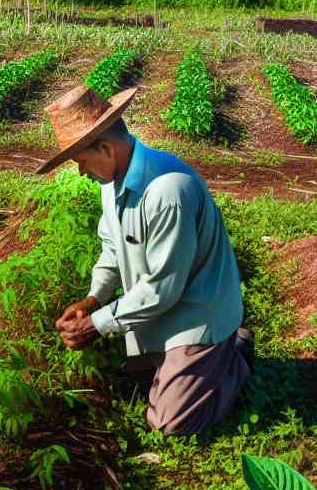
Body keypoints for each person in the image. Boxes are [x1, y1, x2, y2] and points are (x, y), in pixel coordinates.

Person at [36, 83, 252, 437]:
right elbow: (111, 247)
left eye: (81, 161)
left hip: (197, 314)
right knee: (134, 377)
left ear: (105, 148)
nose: (80, 172)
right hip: (160, 310)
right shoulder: (111, 182)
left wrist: (95, 325)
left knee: (170, 423)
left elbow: (163, 290)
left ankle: (235, 355)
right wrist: (94, 299)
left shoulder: (168, 190)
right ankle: (194, 363)